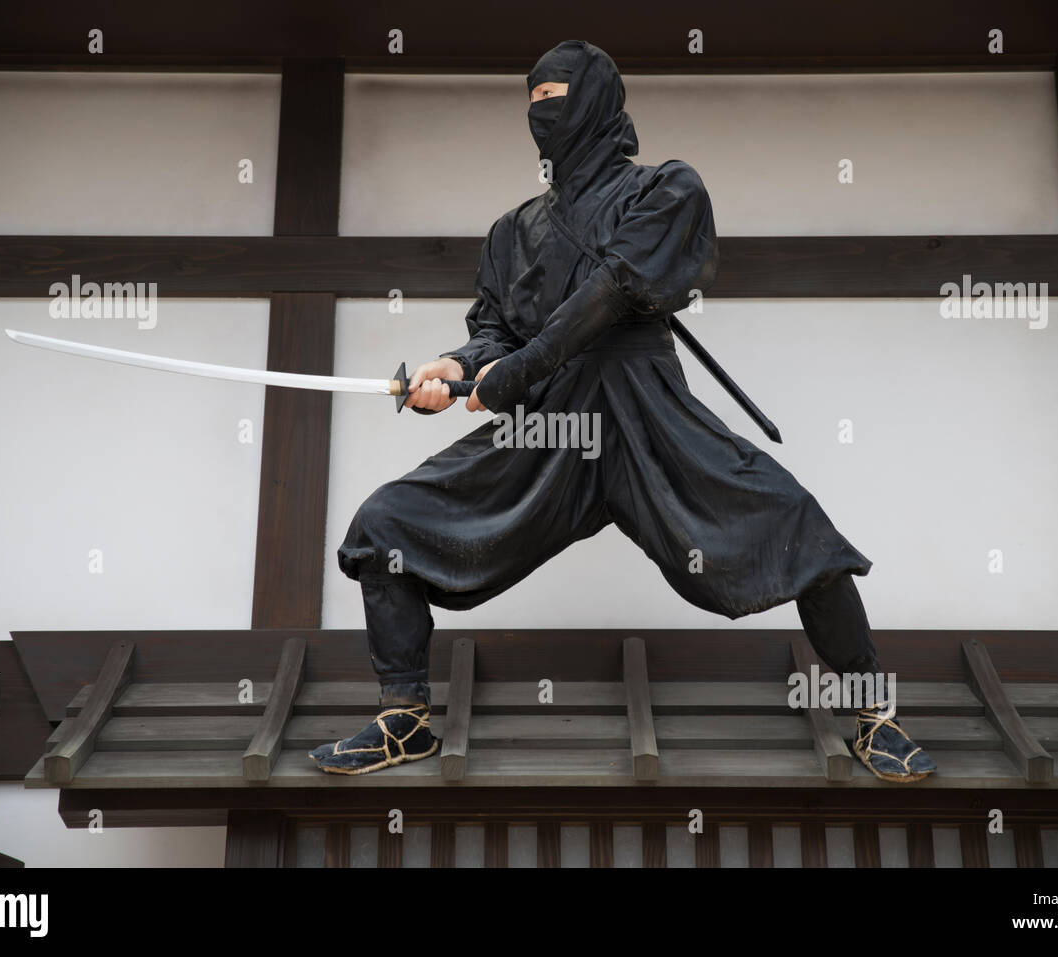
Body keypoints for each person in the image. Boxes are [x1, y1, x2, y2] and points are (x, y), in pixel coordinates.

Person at [309, 40, 936, 783]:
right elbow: (497, 333)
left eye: (560, 97)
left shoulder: (666, 189)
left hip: (648, 414)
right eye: (534, 99)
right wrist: (459, 366)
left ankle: (874, 713)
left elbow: (609, 294)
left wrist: (513, 372)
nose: (546, 113)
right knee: (385, 525)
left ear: (602, 100)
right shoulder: (514, 232)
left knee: (802, 530)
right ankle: (403, 715)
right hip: (549, 430)